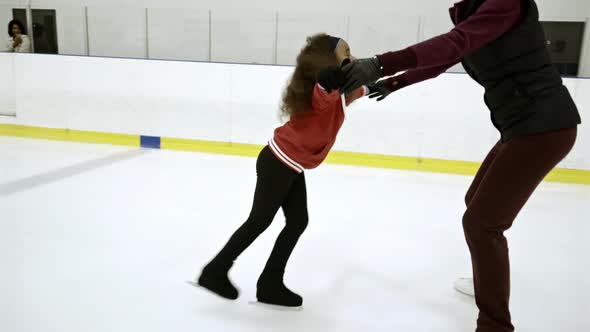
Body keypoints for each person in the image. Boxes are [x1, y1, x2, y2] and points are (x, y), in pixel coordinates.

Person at [340, 0, 581, 331]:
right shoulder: (476, 12)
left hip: (544, 127)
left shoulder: (506, 3)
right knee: (476, 206)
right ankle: (486, 280)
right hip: (523, 125)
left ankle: (495, 325)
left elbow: (454, 44)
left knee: (483, 224)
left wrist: (382, 64)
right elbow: (448, 56)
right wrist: (394, 82)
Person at [194, 33, 369, 309]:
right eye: (346, 51)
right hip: (278, 162)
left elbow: (360, 87)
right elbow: (324, 90)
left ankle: (269, 284)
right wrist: (328, 78)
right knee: (259, 221)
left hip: (291, 165)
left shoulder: (338, 93)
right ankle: (215, 271)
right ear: (328, 59)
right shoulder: (322, 90)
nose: (352, 55)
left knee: (298, 221)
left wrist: (390, 80)